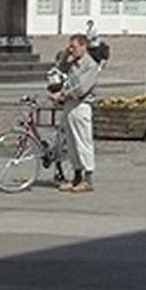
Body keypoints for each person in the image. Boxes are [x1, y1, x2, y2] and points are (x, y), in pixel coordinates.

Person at [51, 33, 99, 192]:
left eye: (74, 47)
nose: (72, 50)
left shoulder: (90, 65)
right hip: (69, 106)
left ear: (84, 46)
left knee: (83, 142)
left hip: (81, 105)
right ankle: (76, 176)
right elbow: (59, 69)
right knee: (71, 144)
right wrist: (65, 55)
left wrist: (63, 94)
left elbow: (82, 89)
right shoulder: (73, 63)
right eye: (70, 47)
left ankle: (88, 179)